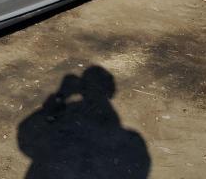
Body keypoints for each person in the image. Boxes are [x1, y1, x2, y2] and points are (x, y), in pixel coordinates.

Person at [18, 66, 150, 179]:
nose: (92, 89)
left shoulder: (127, 142)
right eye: (88, 84)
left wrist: (61, 97)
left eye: (95, 84)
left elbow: (28, 137)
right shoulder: (68, 114)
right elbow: (27, 137)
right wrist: (60, 97)